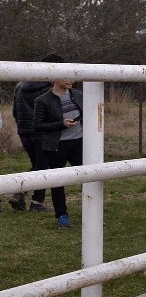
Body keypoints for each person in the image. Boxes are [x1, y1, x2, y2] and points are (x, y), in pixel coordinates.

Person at [9, 54, 65, 212]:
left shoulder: (20, 84)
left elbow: (15, 111)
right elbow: (52, 113)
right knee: (42, 167)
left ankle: (20, 194)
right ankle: (35, 202)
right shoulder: (48, 89)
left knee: (37, 165)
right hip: (42, 133)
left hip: (24, 131)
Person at [33, 74, 84, 228]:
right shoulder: (42, 100)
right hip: (57, 146)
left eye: (72, 77)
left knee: (88, 179)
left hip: (79, 144)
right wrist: (60, 124)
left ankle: (93, 213)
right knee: (58, 182)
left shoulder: (78, 94)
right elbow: (38, 126)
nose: (71, 80)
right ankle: (62, 215)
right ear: (54, 79)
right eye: (66, 77)